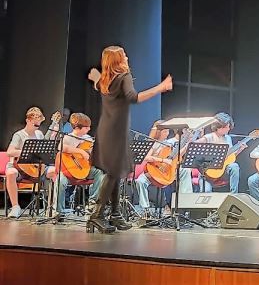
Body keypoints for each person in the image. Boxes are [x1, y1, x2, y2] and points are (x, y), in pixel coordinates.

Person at [87, 45, 172, 233]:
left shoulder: (106, 80)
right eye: (123, 54)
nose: (126, 56)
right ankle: (97, 216)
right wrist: (160, 87)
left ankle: (115, 215)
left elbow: (98, 78)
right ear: (118, 60)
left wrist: (95, 76)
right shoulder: (123, 77)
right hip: (116, 132)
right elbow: (134, 98)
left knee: (115, 172)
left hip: (107, 131)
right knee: (114, 172)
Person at [5, 107, 59, 218]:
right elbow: (10, 152)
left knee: (55, 171)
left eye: (38, 124)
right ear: (28, 121)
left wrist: (53, 133)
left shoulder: (39, 134)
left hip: (36, 168)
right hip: (21, 169)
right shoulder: (19, 135)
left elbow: (43, 149)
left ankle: (52, 207)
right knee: (10, 173)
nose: (37, 126)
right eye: (35, 124)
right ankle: (15, 207)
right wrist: (26, 152)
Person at [135, 121, 193, 217]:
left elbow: (175, 157)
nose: (167, 134)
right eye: (165, 131)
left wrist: (186, 147)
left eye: (167, 131)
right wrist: (162, 160)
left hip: (166, 172)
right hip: (153, 172)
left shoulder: (168, 144)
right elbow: (146, 157)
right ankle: (145, 209)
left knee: (185, 171)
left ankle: (184, 204)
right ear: (158, 132)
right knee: (140, 181)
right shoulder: (152, 143)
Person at [54, 113, 105, 218]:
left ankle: (92, 202)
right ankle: (59, 211)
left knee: (99, 173)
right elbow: (61, 147)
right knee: (60, 180)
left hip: (83, 170)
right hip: (68, 171)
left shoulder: (88, 139)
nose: (89, 129)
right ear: (77, 128)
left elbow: (92, 153)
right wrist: (81, 152)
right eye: (86, 127)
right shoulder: (68, 137)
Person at [196, 112, 239, 193]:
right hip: (208, 173)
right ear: (218, 127)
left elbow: (229, 158)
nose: (228, 129)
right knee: (206, 193)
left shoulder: (228, 138)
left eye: (229, 126)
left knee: (234, 166)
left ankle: (234, 194)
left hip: (222, 172)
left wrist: (240, 149)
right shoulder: (209, 137)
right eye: (226, 127)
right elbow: (194, 146)